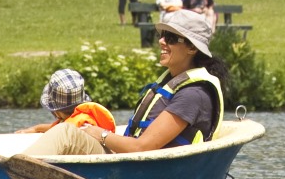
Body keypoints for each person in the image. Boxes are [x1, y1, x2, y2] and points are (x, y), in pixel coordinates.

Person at [42, 12, 229, 157]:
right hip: (133, 166)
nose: (161, 41)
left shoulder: (193, 95)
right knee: (66, 130)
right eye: (163, 35)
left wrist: (99, 133)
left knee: (65, 133)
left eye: (171, 38)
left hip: (141, 171)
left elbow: (142, 146)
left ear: (192, 48)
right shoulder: (176, 83)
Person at [15, 69, 117, 157]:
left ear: (56, 111)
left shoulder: (83, 125)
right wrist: (36, 128)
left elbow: (63, 130)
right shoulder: (76, 119)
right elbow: (55, 128)